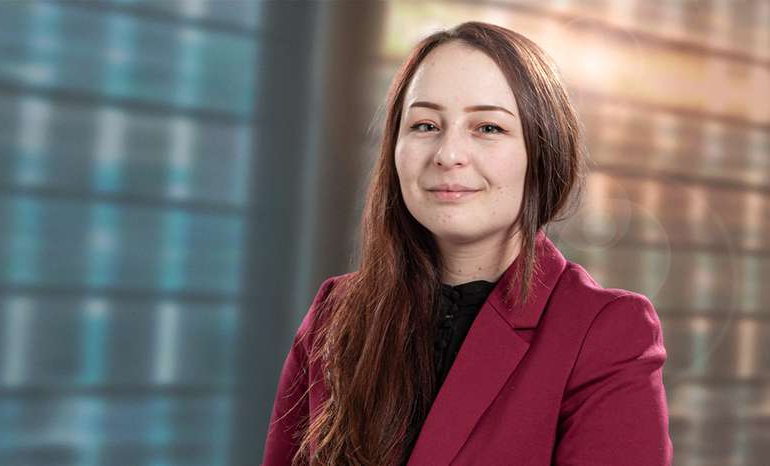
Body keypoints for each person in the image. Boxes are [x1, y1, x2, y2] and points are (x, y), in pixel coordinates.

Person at [262, 21, 672, 466]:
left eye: (488, 128)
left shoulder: (605, 331)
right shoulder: (335, 314)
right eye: (424, 125)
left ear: (543, 151)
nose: (448, 154)